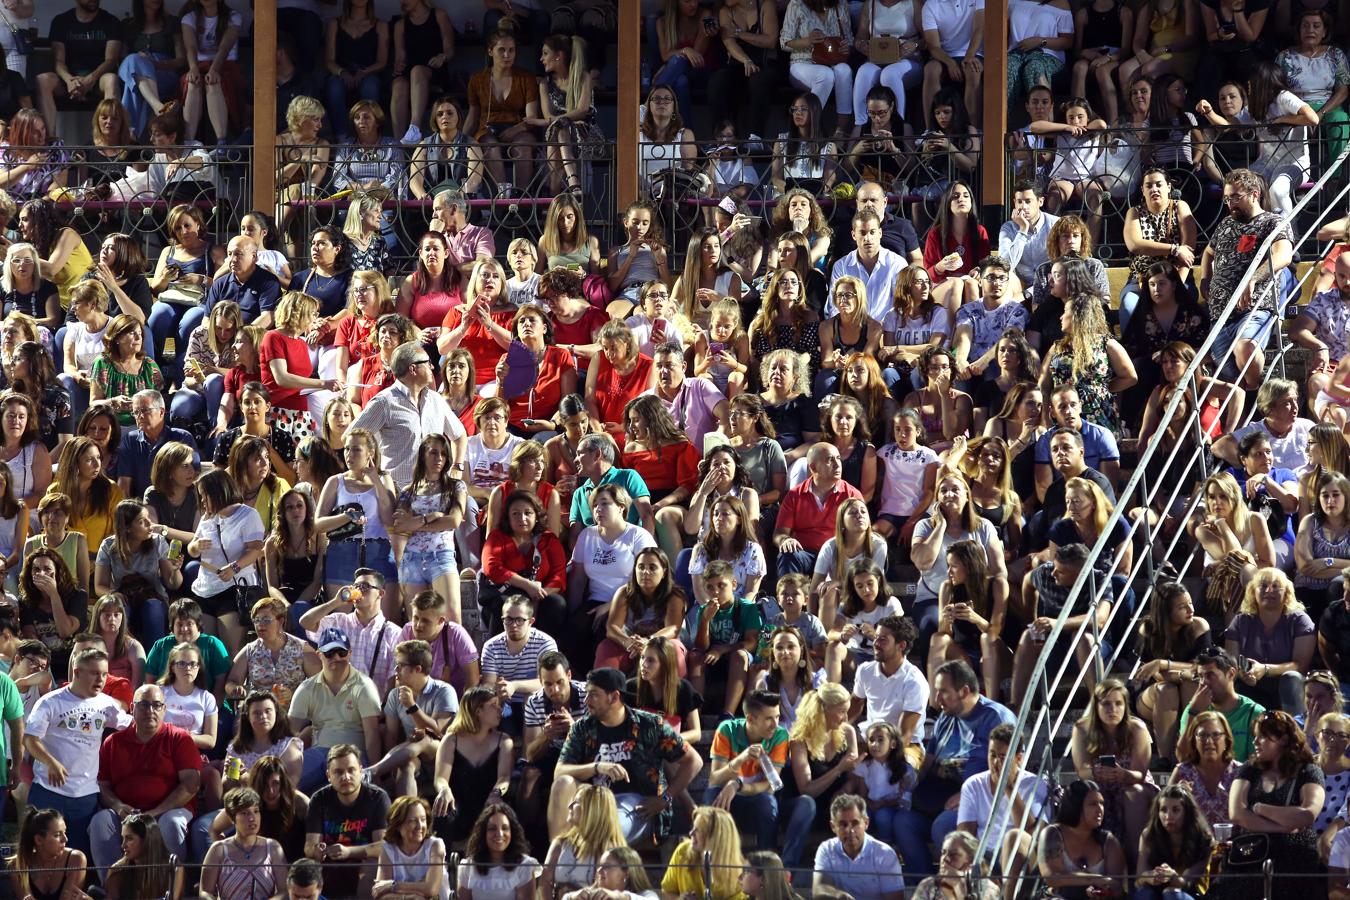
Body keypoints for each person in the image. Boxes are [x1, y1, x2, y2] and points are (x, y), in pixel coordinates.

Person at [553, 666, 703, 844]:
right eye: (587, 694)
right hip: (594, 801)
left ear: (614, 697)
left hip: (638, 805)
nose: (586, 700)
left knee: (606, 828)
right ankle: (556, 860)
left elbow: (694, 761)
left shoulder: (650, 725)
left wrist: (665, 799)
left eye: (593, 694)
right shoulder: (582, 728)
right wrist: (598, 767)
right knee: (563, 783)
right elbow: (559, 772)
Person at [895, 659, 1017, 876]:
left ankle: (968, 884)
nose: (937, 699)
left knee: (943, 825)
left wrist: (966, 793)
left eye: (943, 692)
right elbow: (929, 760)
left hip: (978, 800)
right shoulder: (945, 717)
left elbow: (1008, 767)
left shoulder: (996, 717)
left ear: (964, 691)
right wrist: (911, 782)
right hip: (938, 795)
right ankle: (924, 885)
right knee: (902, 822)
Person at [88, 683, 202, 877]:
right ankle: (113, 887)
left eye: (157, 705)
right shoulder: (113, 742)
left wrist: (156, 812)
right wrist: (117, 805)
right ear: (132, 709)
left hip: (168, 811)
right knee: (101, 821)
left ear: (165, 709)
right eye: (144, 704)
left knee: (172, 823)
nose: (151, 710)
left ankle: (170, 889)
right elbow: (102, 785)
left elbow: (191, 785)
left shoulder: (179, 739)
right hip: (126, 813)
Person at [1199, 168, 1295, 389]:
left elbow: (1283, 254)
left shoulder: (1273, 222)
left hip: (1253, 306)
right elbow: (1208, 253)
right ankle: (1249, 403)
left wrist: (1252, 279)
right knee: (1230, 382)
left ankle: (1256, 390)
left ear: (1254, 194)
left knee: (1246, 348)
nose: (1230, 203)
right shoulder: (1225, 224)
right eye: (1227, 198)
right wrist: (1205, 279)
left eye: (1235, 197)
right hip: (1220, 312)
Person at [706, 689, 816, 867]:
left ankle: (776, 869)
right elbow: (714, 780)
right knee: (712, 796)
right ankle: (713, 866)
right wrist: (742, 758)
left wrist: (737, 784)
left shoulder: (780, 735)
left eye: (777, 717)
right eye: (768, 719)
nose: (775, 724)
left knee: (800, 803)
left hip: (764, 808)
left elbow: (770, 786)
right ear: (750, 719)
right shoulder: (727, 730)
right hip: (732, 806)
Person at [1230, 709, 1326, 899]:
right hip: (1252, 854)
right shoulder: (1250, 769)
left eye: (1262, 737)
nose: (1255, 742)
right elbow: (1237, 813)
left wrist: (1259, 808)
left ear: (1282, 739)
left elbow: (1306, 815)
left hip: (1295, 856)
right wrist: (1283, 825)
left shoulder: (1309, 771)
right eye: (1255, 737)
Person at [352, 341, 468, 492]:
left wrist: (457, 467)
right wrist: (372, 475)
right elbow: (351, 437)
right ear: (413, 368)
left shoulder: (436, 399)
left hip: (436, 490)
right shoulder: (384, 402)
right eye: (428, 363)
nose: (432, 367)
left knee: (468, 506)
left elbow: (459, 435)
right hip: (397, 493)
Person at [288, 628, 383, 793]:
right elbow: (288, 731)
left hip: (353, 754)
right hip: (320, 752)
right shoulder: (307, 688)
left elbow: (372, 734)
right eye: (329, 653)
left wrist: (376, 775)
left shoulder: (364, 686)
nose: (336, 658)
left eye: (341, 652)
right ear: (319, 655)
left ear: (350, 653)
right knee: (283, 783)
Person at [305, 743, 391, 900]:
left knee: (373, 864)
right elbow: (309, 846)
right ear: (328, 776)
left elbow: (383, 847)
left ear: (360, 770)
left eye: (351, 770)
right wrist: (317, 850)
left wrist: (349, 851)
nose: (346, 777)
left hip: (363, 866)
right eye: (338, 772)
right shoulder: (319, 799)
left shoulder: (377, 798)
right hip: (330, 866)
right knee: (310, 865)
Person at [1226, 567, 1316, 713]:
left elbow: (1300, 665)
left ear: (1286, 593)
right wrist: (1243, 673)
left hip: (1287, 686)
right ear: (1253, 593)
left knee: (1291, 678)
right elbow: (1232, 661)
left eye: (1275, 586)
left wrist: (1265, 669)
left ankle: (1296, 729)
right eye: (1263, 586)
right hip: (1251, 684)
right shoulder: (1240, 621)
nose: (1269, 590)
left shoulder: (1300, 620)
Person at [35, 0, 122, 134]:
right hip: (68, 81)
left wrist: (90, 79)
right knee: (43, 79)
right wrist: (70, 80)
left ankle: (109, 139)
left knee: (111, 79)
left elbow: (111, 60)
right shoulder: (61, 21)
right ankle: (49, 140)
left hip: (98, 80)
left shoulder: (111, 21)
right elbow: (58, 60)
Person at [479, 594, 559, 735]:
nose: (513, 625)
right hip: (505, 703)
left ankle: (526, 755)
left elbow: (548, 682)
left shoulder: (545, 643)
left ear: (531, 621)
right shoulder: (491, 646)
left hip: (535, 704)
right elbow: (488, 684)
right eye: (508, 620)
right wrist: (498, 692)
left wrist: (514, 686)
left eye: (519, 620)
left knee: (531, 699)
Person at [1036, 780, 1128, 899]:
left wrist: (1103, 892)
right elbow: (1052, 877)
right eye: (1093, 804)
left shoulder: (1108, 841)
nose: (1100, 809)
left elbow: (1117, 886)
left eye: (1101, 803)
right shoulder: (1052, 834)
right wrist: (1096, 879)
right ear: (1076, 806)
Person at [539, 783, 625, 899]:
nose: (569, 806)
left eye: (576, 802)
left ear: (592, 810)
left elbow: (604, 892)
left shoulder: (609, 851)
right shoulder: (560, 843)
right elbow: (544, 882)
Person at [199, 787, 287, 900]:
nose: (252, 818)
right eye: (244, 813)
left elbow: (284, 891)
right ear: (232, 818)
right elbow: (205, 892)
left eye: (256, 811)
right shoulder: (218, 850)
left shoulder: (273, 847)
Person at [1181, 647, 1267, 762]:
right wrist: (1193, 714)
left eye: (1210, 675)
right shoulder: (1193, 710)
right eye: (1200, 676)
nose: (1203, 683)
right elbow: (1183, 758)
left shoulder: (1254, 713)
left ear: (1231, 674)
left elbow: (1258, 764)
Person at [813, 794, 905, 900]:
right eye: (843, 824)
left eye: (855, 823)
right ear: (833, 826)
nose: (850, 830)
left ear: (866, 823)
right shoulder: (826, 849)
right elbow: (819, 889)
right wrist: (839, 896)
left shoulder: (885, 854)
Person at [457, 801, 541, 900]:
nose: (500, 834)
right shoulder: (468, 866)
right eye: (492, 829)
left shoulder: (524, 866)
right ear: (483, 834)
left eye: (505, 828)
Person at [374, 795, 448, 900]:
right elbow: (380, 894)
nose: (419, 826)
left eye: (423, 820)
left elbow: (431, 889)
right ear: (398, 825)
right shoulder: (388, 849)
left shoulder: (435, 845)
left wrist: (393, 886)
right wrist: (411, 897)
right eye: (412, 821)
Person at [9, 808, 90, 900]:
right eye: (57, 835)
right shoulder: (18, 865)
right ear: (39, 840)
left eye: (65, 832)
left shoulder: (76, 859)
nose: (65, 839)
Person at [103, 811, 180, 900]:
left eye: (129, 839)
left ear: (147, 840)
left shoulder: (173, 868)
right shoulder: (117, 871)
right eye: (123, 838)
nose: (123, 845)